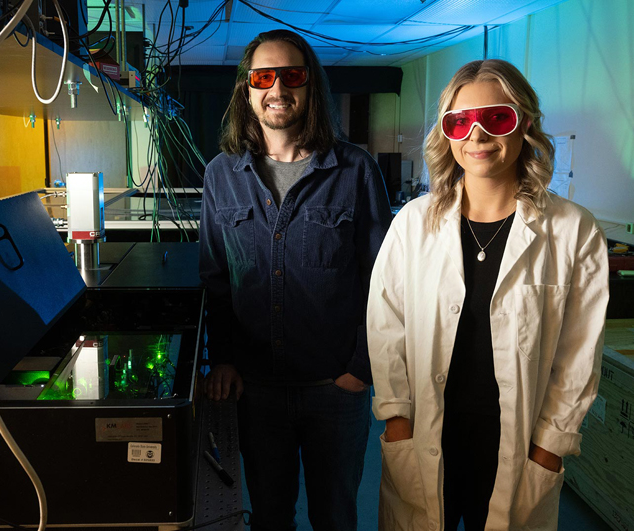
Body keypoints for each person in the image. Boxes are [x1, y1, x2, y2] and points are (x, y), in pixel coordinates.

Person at [367, 58, 609, 531]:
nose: (476, 135)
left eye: (496, 118)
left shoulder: (573, 230)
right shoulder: (413, 224)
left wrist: (550, 447)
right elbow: (385, 324)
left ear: (526, 123)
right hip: (426, 436)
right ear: (447, 133)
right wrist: (396, 419)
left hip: (518, 447)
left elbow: (580, 352)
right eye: (460, 122)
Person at [199, 29, 392, 531]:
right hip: (256, 390)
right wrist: (222, 358)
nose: (278, 89)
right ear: (247, 90)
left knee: (335, 517)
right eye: (263, 77)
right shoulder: (221, 174)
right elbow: (216, 278)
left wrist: (361, 367)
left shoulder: (355, 170)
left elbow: (383, 281)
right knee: (269, 517)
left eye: (291, 75)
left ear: (311, 87)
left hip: (335, 388)